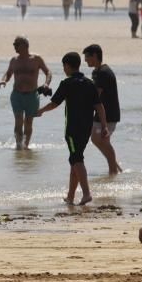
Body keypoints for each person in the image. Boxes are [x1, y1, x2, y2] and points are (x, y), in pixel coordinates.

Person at [36, 52, 107, 205]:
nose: (64, 69)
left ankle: (86, 193)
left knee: (76, 159)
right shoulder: (89, 83)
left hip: (73, 129)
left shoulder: (67, 83)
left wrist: (41, 111)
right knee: (75, 159)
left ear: (67, 66)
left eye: (64, 66)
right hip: (86, 128)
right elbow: (99, 106)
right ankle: (70, 196)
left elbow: (54, 103)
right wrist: (104, 125)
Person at [0, 36, 52, 150]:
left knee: (28, 122)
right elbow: (8, 73)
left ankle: (25, 146)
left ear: (25, 45)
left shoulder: (36, 59)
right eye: (14, 44)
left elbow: (48, 72)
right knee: (18, 121)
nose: (15, 47)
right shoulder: (14, 60)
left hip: (32, 95)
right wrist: (3, 80)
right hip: (17, 95)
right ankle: (18, 147)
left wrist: (46, 84)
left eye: (17, 44)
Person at [83, 44, 122, 175]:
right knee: (96, 139)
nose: (85, 60)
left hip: (109, 113)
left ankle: (113, 170)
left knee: (103, 141)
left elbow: (96, 94)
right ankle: (115, 166)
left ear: (95, 56)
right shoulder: (96, 71)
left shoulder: (103, 72)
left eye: (87, 57)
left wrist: (84, 109)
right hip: (100, 113)